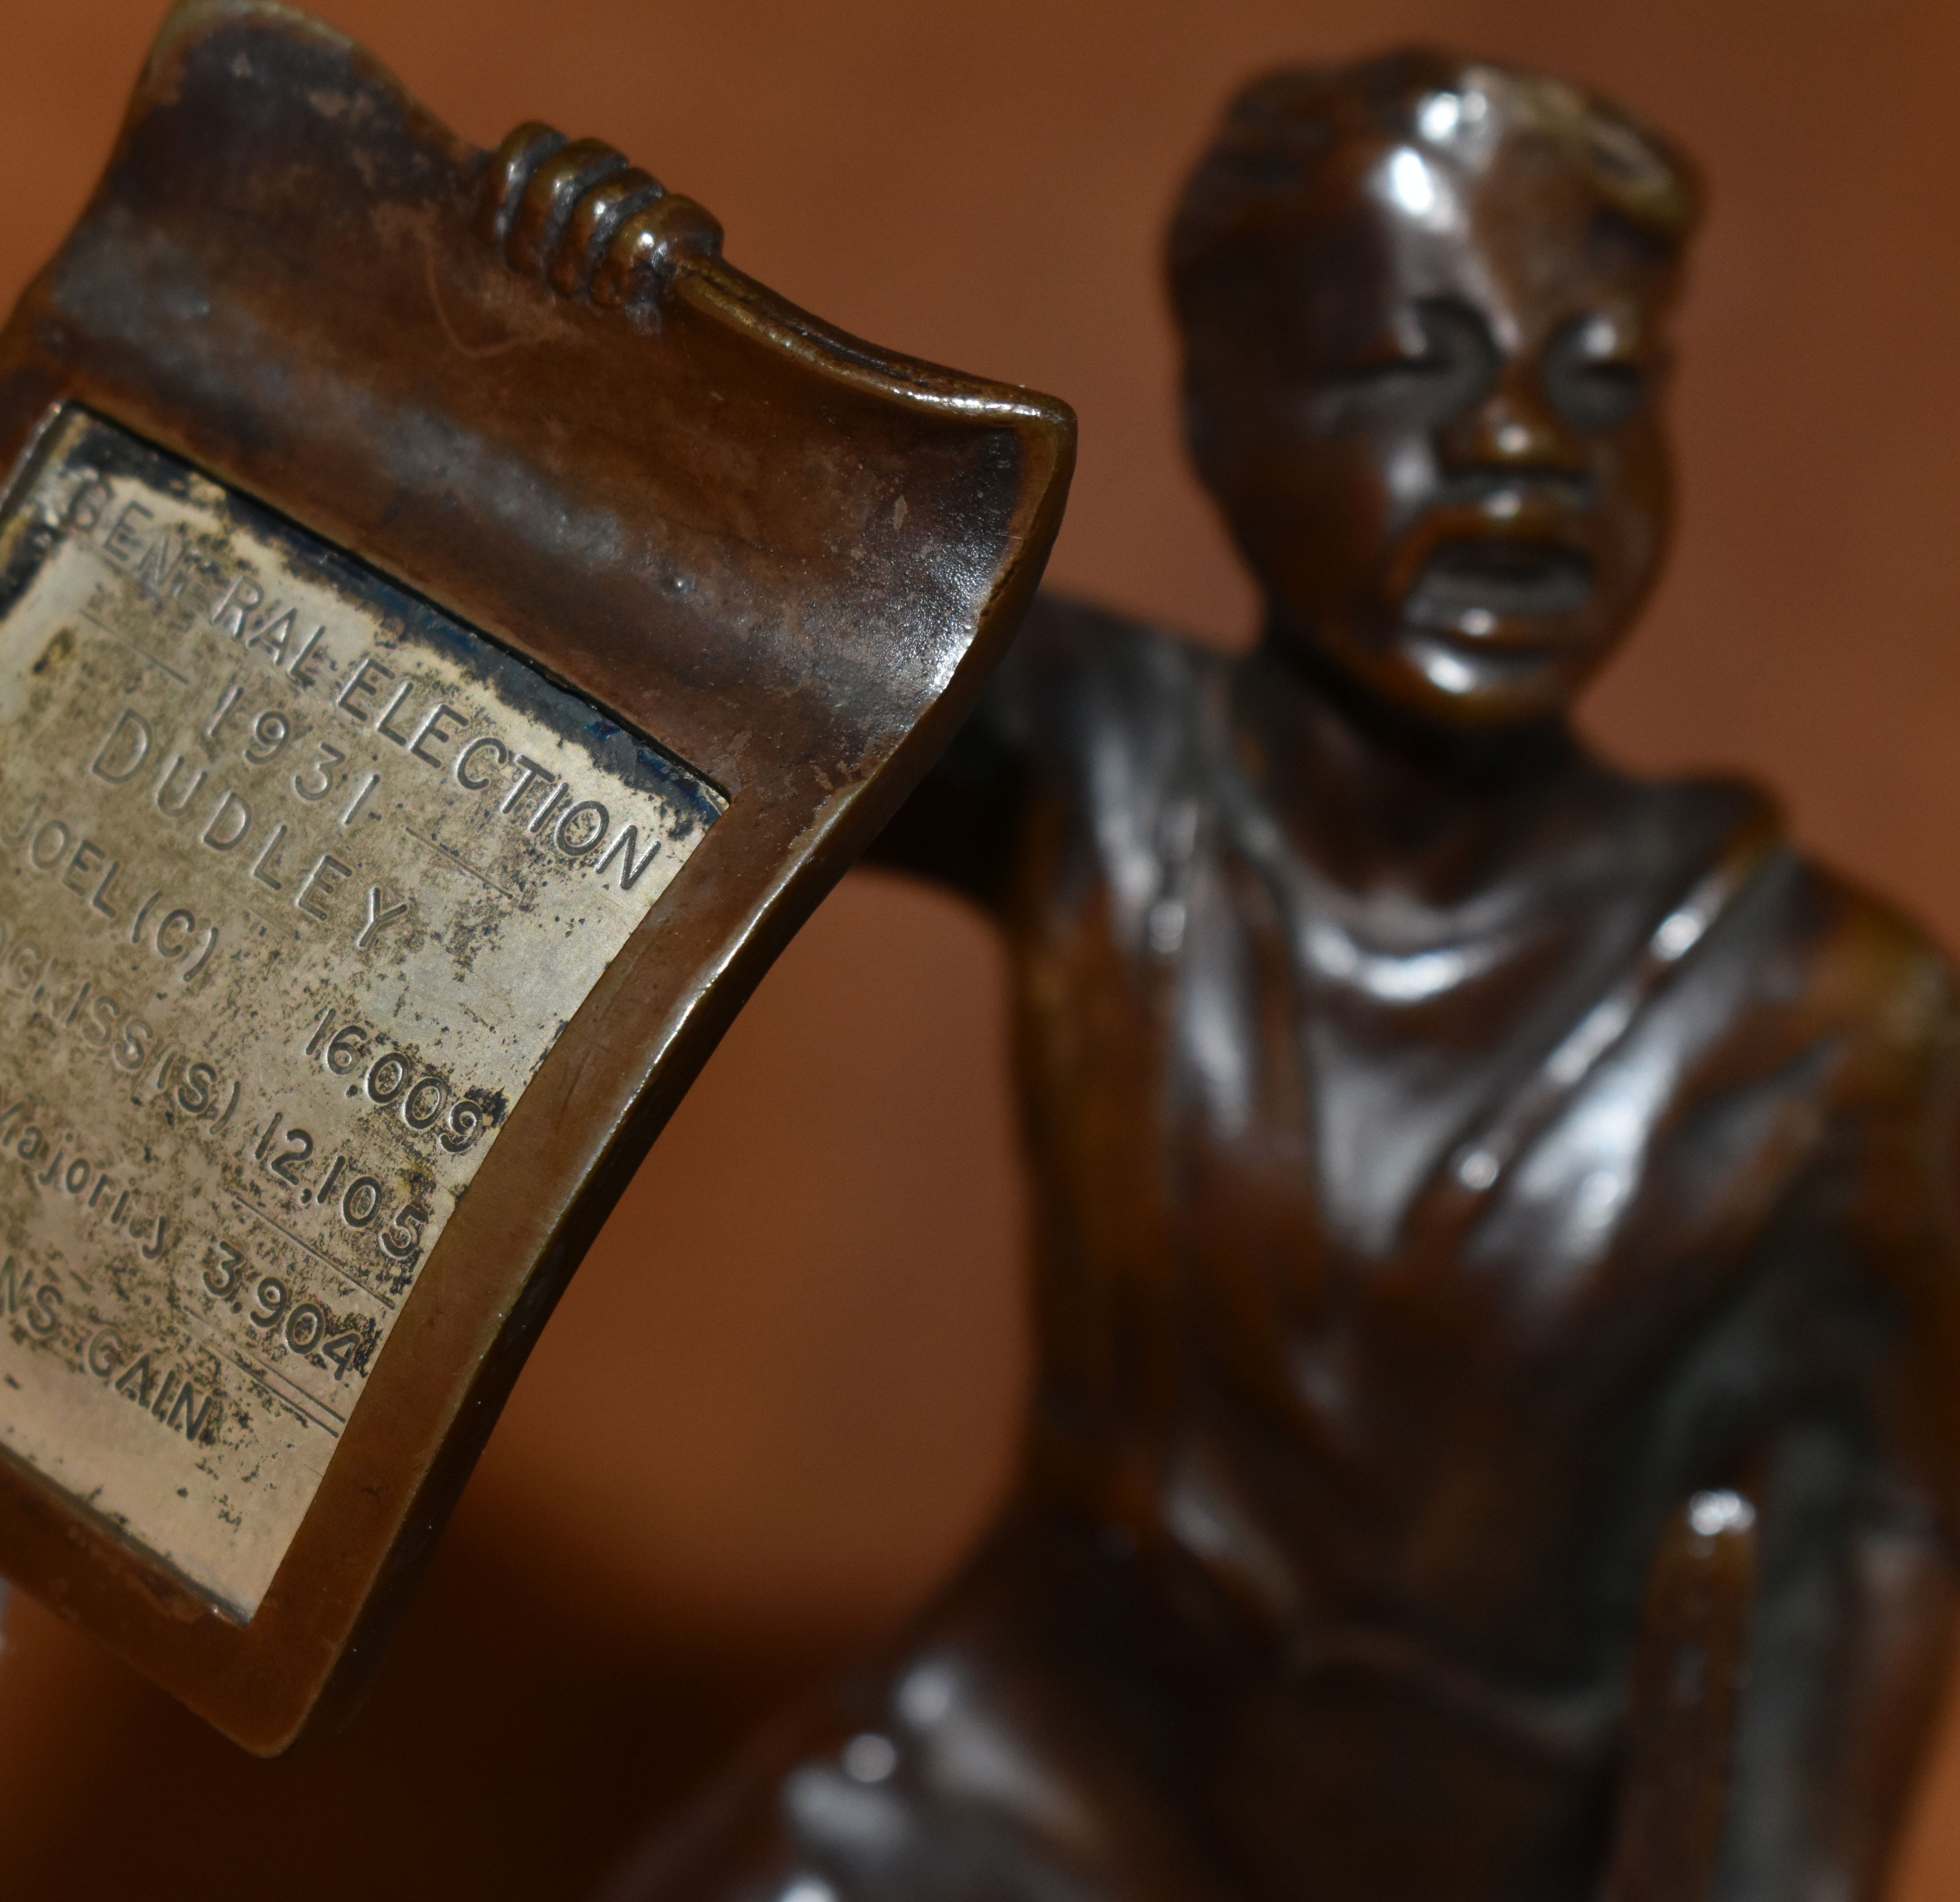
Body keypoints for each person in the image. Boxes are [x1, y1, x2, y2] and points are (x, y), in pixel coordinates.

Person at [601, 47, 1960, 1902]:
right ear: (1224, 421)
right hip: (1029, 1777)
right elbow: (690, 615)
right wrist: (584, 327)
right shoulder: (1101, 765)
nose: (1517, 447)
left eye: (1604, 379)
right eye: (1411, 363)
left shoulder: (1827, 1022)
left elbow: (1878, 1533)